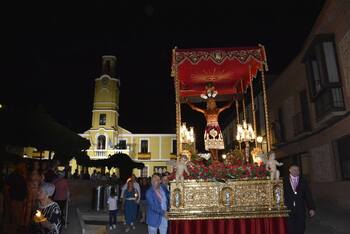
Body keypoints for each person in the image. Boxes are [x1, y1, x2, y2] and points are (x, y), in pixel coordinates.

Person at [186, 83, 233, 161]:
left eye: (212, 102)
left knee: (216, 144)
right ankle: (214, 159)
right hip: (209, 127)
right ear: (208, 103)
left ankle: (216, 159)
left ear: (214, 103)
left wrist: (232, 100)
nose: (211, 103)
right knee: (210, 144)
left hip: (216, 127)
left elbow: (227, 107)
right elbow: (195, 108)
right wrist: (188, 102)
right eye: (209, 102)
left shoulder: (217, 110)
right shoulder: (205, 111)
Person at [284, 165, 316, 234]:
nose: (296, 171)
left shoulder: (303, 180)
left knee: (301, 227)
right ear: (290, 170)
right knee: (290, 228)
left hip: (300, 208)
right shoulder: (284, 181)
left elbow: (308, 195)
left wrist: (311, 208)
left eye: (298, 170)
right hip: (288, 208)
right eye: (294, 169)